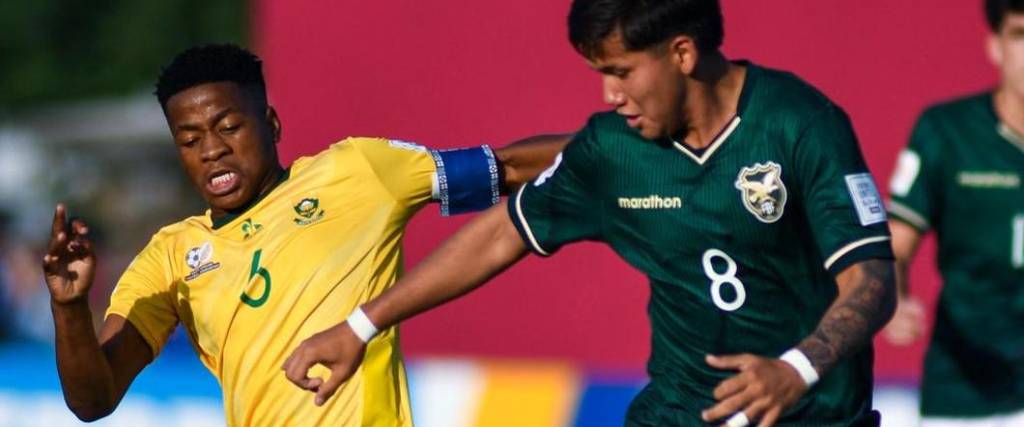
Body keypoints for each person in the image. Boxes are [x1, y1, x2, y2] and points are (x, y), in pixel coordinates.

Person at [282, 1, 897, 426]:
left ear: (681, 52)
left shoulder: (801, 126)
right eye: (601, 74)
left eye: (622, 71)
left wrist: (797, 369)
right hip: (680, 413)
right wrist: (361, 327)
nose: (610, 94)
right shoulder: (612, 149)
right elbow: (503, 233)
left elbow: (871, 282)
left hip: (816, 413)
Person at [41, 44, 567, 426]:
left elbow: (508, 165)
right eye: (190, 139)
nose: (212, 150)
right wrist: (68, 306)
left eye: (228, 126)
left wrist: (615, 146)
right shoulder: (170, 256)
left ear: (270, 123)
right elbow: (93, 401)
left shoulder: (357, 170)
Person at [882, 1, 1024, 425]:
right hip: (965, 391)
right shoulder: (947, 132)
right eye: (1020, 35)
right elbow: (896, 243)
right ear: (995, 47)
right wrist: (894, 297)